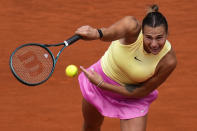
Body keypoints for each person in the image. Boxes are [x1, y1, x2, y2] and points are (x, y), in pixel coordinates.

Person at [75, 4, 177, 131]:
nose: (154, 44)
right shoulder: (132, 27)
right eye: (148, 37)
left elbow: (142, 91)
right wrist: (96, 33)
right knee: (91, 127)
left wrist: (102, 83)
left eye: (159, 38)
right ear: (142, 33)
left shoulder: (168, 60)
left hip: (131, 96)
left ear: (167, 34)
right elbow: (110, 33)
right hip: (98, 82)